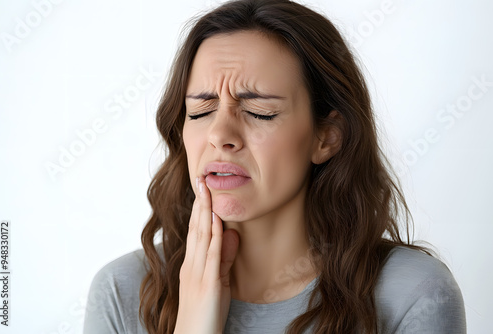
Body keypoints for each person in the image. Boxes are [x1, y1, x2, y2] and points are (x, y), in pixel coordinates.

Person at [83, 0, 466, 333]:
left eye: (258, 112)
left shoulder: (413, 294)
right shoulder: (121, 292)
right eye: (200, 110)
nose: (220, 135)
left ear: (327, 137)